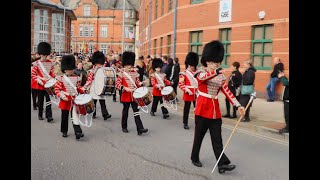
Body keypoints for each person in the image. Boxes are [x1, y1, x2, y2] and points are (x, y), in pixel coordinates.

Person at [191, 40, 245, 174]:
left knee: (217, 139)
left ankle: (222, 164)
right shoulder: (201, 73)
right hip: (202, 109)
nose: (217, 64)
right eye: (215, 61)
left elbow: (227, 92)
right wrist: (216, 71)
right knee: (199, 136)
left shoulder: (220, 76)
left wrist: (238, 105)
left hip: (215, 111)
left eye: (218, 62)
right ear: (208, 61)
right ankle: (194, 156)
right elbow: (203, 79)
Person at [115, 51, 148, 135]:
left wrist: (141, 83)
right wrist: (124, 88)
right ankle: (124, 126)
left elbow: (137, 82)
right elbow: (117, 84)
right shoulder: (121, 73)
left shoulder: (135, 73)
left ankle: (140, 128)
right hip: (126, 96)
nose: (129, 66)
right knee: (125, 112)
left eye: (130, 64)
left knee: (136, 111)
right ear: (125, 64)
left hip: (134, 96)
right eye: (128, 65)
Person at [54, 55, 85, 140]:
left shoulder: (76, 77)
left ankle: (78, 132)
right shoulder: (60, 78)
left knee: (75, 116)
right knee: (64, 117)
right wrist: (62, 95)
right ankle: (64, 131)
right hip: (65, 100)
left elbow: (78, 88)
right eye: (68, 69)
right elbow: (57, 89)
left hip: (74, 100)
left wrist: (84, 90)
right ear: (64, 69)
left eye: (71, 69)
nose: (69, 71)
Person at [83, 51, 112, 120]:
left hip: (101, 87)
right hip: (94, 87)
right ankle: (93, 113)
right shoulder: (92, 71)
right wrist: (87, 87)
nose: (100, 65)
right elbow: (89, 79)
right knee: (94, 101)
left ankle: (105, 114)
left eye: (100, 64)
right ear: (95, 63)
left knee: (102, 101)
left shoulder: (104, 70)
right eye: (98, 64)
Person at [31, 42, 55, 122]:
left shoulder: (50, 63)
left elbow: (52, 73)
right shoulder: (36, 64)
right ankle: (40, 114)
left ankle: (49, 116)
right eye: (43, 55)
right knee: (40, 101)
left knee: (49, 101)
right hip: (40, 85)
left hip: (48, 85)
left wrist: (54, 78)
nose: (45, 57)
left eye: (46, 55)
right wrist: (40, 80)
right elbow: (33, 75)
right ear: (40, 54)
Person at [178, 52, 199, 129]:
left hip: (196, 93)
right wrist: (186, 90)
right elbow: (180, 84)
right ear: (188, 64)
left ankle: (198, 123)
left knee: (197, 110)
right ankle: (185, 122)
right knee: (186, 109)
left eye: (193, 65)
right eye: (191, 65)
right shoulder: (183, 73)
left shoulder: (197, 73)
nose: (192, 67)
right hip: (188, 93)